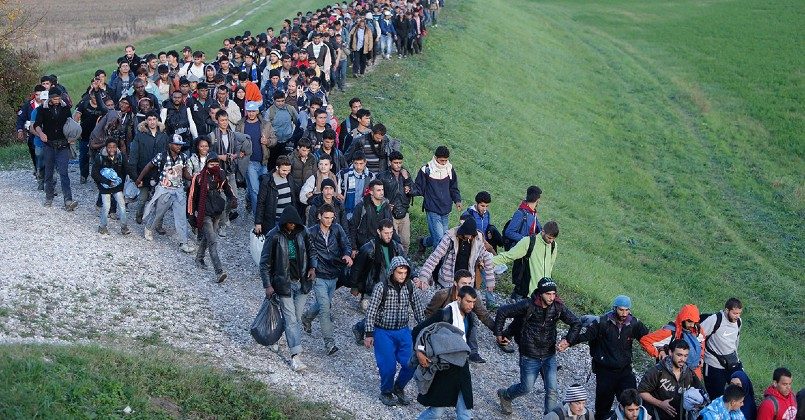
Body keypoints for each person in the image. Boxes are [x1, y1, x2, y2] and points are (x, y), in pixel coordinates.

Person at [495, 278, 581, 415]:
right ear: (540, 293)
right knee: (526, 388)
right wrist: (499, 333)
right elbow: (502, 311)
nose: (551, 297)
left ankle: (549, 417)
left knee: (552, 390)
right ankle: (506, 395)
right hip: (529, 355)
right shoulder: (527, 305)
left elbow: (576, 322)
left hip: (549, 354)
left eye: (554, 294)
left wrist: (567, 341)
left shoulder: (558, 307)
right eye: (548, 294)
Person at [570, 295, 650, 420]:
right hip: (605, 371)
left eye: (627, 310)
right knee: (603, 408)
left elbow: (648, 339)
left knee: (633, 403)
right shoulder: (602, 322)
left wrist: (662, 350)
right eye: (621, 310)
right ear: (614, 308)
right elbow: (585, 336)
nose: (624, 313)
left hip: (625, 370)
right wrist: (567, 341)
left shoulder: (634, 323)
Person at [363, 256, 425, 406]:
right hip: (383, 332)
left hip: (403, 331)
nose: (402, 276)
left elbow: (418, 309)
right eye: (399, 273)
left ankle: (399, 387)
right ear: (392, 272)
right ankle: (386, 391)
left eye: (405, 273)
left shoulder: (409, 286)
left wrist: (425, 328)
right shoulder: (381, 287)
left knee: (411, 363)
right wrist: (369, 333)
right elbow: (371, 311)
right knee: (388, 366)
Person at [259, 206, 313, 372]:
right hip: (283, 284)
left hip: (302, 282)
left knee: (295, 318)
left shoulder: (303, 232)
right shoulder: (273, 235)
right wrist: (268, 285)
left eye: (294, 223)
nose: (292, 225)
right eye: (289, 223)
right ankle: (295, 356)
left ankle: (274, 338)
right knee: (291, 319)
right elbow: (264, 263)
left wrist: (313, 267)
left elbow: (312, 251)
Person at [411, 285, 476, 420]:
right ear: (459, 299)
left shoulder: (470, 317)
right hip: (444, 368)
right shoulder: (444, 314)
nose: (471, 306)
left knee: (465, 413)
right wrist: (420, 352)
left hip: (462, 366)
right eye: (468, 301)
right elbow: (418, 331)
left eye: (473, 302)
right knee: (436, 412)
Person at [301, 204, 353, 355]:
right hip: (318, 275)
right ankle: (329, 343)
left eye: (331, 218)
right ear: (319, 217)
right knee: (325, 308)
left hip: (333, 274)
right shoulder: (311, 232)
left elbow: (346, 244)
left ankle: (307, 317)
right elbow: (305, 252)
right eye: (326, 217)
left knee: (323, 303)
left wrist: (347, 254)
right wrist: (310, 268)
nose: (329, 220)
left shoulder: (337, 229)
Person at [136, 134, 195, 253]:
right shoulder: (161, 156)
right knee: (159, 212)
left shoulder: (183, 157)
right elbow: (149, 166)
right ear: (170, 145)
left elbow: (185, 173)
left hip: (178, 190)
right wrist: (139, 178)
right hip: (164, 189)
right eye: (176, 144)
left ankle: (183, 242)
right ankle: (149, 228)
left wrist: (193, 177)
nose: (179, 147)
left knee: (181, 217)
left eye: (180, 145)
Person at [424, 269, 495, 364]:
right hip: (444, 326)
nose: (467, 286)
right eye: (464, 283)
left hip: (463, 322)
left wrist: (499, 332)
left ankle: (473, 352)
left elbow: (484, 315)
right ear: (455, 283)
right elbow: (429, 312)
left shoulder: (472, 296)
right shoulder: (443, 295)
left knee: (473, 318)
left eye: (469, 283)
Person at [187, 154, 236, 283]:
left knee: (208, 237)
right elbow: (191, 197)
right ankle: (219, 271)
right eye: (211, 164)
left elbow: (228, 188)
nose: (214, 167)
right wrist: (191, 216)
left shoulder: (221, 174)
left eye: (216, 164)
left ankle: (199, 258)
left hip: (217, 212)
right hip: (204, 213)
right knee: (213, 241)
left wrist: (232, 198)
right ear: (206, 164)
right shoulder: (198, 178)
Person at [416, 217, 495, 291]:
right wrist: (424, 276)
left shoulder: (478, 239)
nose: (469, 238)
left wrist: (490, 281)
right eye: (466, 236)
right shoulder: (450, 237)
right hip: (448, 281)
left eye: (471, 236)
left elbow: (486, 258)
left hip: (467, 282)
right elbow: (435, 257)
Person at [637, 339, 708, 420]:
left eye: (685, 356)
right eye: (679, 355)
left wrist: (697, 403)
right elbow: (641, 391)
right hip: (659, 416)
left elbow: (702, 392)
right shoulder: (657, 371)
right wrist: (660, 404)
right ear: (670, 352)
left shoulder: (689, 373)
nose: (683, 359)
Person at [208, 109, 251, 236]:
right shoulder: (212, 135)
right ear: (217, 121)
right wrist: (220, 157)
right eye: (222, 120)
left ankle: (226, 216)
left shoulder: (232, 134)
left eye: (226, 120)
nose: (224, 122)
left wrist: (236, 155)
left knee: (234, 199)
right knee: (221, 199)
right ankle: (221, 225)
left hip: (230, 170)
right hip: (218, 172)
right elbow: (207, 152)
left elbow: (237, 148)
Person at [33, 88, 78, 210]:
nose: (57, 100)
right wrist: (41, 134)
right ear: (50, 98)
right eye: (54, 99)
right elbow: (36, 124)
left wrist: (72, 136)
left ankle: (68, 200)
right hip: (49, 144)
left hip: (63, 144)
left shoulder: (65, 108)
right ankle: (49, 197)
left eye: (58, 98)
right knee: (49, 172)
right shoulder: (42, 109)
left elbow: (70, 123)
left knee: (64, 173)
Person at [350, 219, 406, 313]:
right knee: (369, 310)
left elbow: (406, 263)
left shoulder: (396, 247)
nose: (389, 236)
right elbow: (357, 268)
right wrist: (354, 286)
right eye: (386, 233)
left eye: (391, 233)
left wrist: (415, 277)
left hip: (391, 285)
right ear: (379, 232)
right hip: (372, 287)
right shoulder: (368, 248)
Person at [493, 220, 559, 299]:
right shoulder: (529, 241)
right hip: (526, 292)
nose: (551, 241)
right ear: (543, 231)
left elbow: (550, 267)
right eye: (549, 238)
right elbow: (509, 256)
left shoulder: (553, 245)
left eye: (553, 239)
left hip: (542, 294)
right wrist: (489, 262)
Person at [414, 146, 462, 252]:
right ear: (436, 158)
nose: (444, 163)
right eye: (441, 160)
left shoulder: (450, 169)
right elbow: (418, 188)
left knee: (443, 238)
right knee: (440, 240)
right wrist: (408, 190)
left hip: (446, 209)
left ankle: (423, 242)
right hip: (432, 209)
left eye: (446, 160)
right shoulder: (426, 170)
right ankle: (437, 261)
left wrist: (457, 200)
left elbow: (453, 187)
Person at [640, 304, 706, 379]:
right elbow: (645, 341)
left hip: (694, 373)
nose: (692, 325)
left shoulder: (698, 330)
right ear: (683, 319)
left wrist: (701, 357)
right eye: (689, 321)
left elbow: (702, 342)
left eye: (695, 322)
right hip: (672, 374)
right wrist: (658, 353)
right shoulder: (670, 332)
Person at [128, 110, 169, 224]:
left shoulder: (163, 135)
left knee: (160, 200)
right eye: (150, 119)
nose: (152, 122)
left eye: (154, 119)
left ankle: (158, 223)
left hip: (159, 172)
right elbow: (134, 155)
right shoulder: (140, 135)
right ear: (146, 121)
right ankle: (139, 215)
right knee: (143, 198)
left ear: (157, 120)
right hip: (144, 171)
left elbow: (167, 153)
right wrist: (135, 176)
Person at [701, 298, 744, 399]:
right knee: (716, 397)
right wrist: (700, 358)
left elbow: (736, 340)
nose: (737, 316)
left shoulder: (738, 321)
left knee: (742, 389)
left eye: (739, 313)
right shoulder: (715, 319)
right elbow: (699, 336)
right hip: (714, 364)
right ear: (727, 310)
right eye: (734, 313)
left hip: (732, 361)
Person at [376, 150, 414, 252]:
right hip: (390, 214)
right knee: (392, 242)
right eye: (396, 163)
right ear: (390, 162)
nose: (398, 165)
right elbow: (376, 193)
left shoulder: (405, 174)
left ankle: (403, 260)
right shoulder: (383, 176)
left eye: (400, 163)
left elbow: (414, 190)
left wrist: (407, 180)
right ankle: (393, 260)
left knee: (406, 242)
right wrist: (385, 203)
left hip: (404, 212)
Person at [92, 140, 129, 235]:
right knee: (106, 206)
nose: (112, 149)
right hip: (104, 186)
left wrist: (135, 180)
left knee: (122, 205)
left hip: (117, 186)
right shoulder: (100, 157)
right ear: (106, 147)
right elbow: (94, 173)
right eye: (109, 147)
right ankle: (102, 226)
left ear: (116, 147)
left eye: (114, 147)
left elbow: (126, 170)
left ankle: (124, 227)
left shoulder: (121, 157)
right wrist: (106, 182)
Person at [255, 155, 298, 235]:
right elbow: (261, 202)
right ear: (277, 168)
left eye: (288, 170)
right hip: (274, 221)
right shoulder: (267, 181)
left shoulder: (290, 178)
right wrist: (258, 222)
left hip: (288, 220)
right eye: (284, 170)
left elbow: (293, 198)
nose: (286, 173)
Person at [349, 179, 395, 252]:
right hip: (365, 247)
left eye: (382, 190)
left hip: (383, 246)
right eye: (378, 190)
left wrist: (398, 244)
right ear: (371, 192)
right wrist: (353, 248)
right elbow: (353, 228)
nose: (382, 193)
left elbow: (391, 227)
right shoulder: (362, 206)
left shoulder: (386, 206)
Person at [339, 152, 375, 220]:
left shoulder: (371, 177)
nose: (358, 167)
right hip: (346, 211)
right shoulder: (344, 174)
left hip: (363, 212)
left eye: (361, 163)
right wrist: (337, 193)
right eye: (356, 163)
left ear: (365, 162)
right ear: (353, 162)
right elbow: (335, 185)